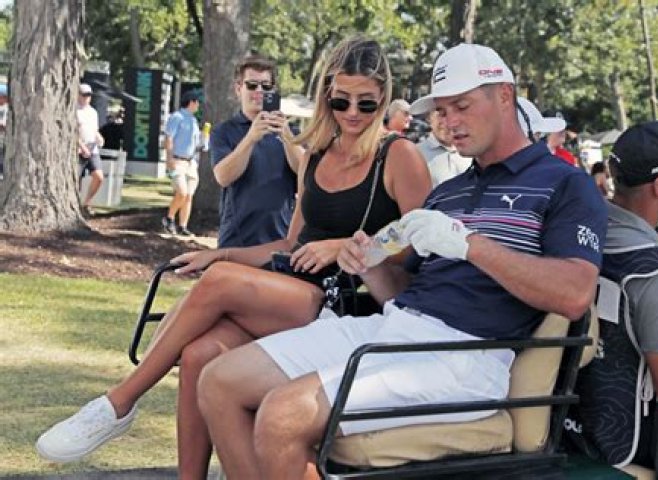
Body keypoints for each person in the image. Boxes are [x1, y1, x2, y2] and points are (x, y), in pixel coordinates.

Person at [195, 43, 607, 479]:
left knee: (283, 414)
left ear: (504, 95)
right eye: (442, 111)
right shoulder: (448, 192)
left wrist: (470, 245)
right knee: (219, 382)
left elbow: (574, 294)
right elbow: (405, 293)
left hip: (467, 356)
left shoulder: (566, 184)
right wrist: (370, 266)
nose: (450, 122)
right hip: (396, 329)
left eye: (461, 106)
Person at [35, 36, 430, 480]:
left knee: (223, 279)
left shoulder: (399, 156)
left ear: (384, 99)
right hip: (294, 289)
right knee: (200, 353)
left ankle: (119, 402)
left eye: (366, 103)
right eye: (342, 101)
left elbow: (421, 247)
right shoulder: (317, 154)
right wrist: (219, 252)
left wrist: (346, 247)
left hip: (347, 302)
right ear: (327, 96)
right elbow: (290, 245)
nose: (353, 113)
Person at [565, 121, 658, 469]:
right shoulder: (657, 272)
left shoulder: (588, 228)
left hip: (576, 419)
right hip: (634, 436)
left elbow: (657, 261)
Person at [210, 55, 303, 248]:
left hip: (281, 239)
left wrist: (286, 135)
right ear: (238, 89)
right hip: (236, 240)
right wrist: (251, 138)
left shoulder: (291, 132)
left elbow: (307, 173)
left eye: (266, 86)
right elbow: (223, 177)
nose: (259, 91)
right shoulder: (224, 131)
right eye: (252, 85)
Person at [161, 91, 202, 236]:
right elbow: (169, 138)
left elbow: (195, 143)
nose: (198, 105)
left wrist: (204, 142)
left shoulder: (193, 120)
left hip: (191, 163)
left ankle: (183, 226)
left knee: (189, 195)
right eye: (197, 102)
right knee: (182, 192)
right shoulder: (177, 117)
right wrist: (169, 159)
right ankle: (169, 218)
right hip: (177, 160)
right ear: (191, 102)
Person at [415, 110, 472, 187]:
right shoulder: (415, 154)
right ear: (429, 118)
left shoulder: (472, 152)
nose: (446, 122)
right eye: (440, 114)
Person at [77, 83, 105, 212]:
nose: (86, 98)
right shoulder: (74, 111)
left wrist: (99, 138)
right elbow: (72, 133)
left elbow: (94, 130)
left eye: (88, 95)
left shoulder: (93, 112)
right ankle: (76, 204)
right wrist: (82, 147)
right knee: (76, 180)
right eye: (84, 95)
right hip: (78, 150)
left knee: (99, 177)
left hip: (92, 149)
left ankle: (87, 202)